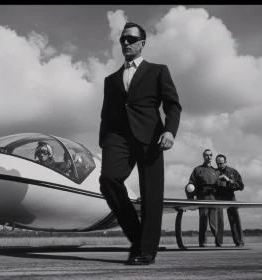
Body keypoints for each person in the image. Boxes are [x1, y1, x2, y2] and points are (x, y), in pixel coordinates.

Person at [98, 21, 182, 265]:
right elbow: (106, 113)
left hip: (151, 137)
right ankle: (137, 236)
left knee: (151, 195)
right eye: (123, 39)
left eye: (131, 39)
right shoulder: (110, 80)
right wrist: (104, 140)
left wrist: (170, 131)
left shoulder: (158, 71)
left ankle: (146, 251)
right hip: (118, 138)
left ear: (142, 43)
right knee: (108, 180)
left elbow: (172, 105)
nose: (126, 42)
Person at [187, 149, 222, 247]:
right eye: (206, 155)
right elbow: (191, 184)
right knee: (203, 220)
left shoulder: (216, 171)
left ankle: (218, 241)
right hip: (202, 197)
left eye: (210, 155)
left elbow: (221, 185)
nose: (208, 157)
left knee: (213, 221)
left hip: (213, 198)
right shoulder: (197, 169)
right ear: (203, 156)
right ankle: (203, 242)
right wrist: (191, 200)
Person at [215, 154, 245, 247]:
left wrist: (229, 180)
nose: (220, 166)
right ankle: (218, 242)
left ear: (226, 162)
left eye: (221, 163)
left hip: (230, 196)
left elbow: (241, 186)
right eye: (218, 163)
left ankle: (239, 241)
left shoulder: (233, 171)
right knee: (217, 220)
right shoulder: (214, 172)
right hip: (217, 197)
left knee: (234, 218)